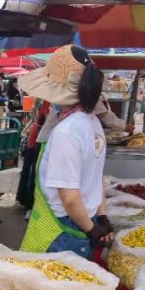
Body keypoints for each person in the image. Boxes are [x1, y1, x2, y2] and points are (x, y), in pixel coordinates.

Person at [18, 45, 114, 257]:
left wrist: (91, 229)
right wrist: (101, 216)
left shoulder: (66, 132)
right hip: (84, 219)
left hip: (63, 229)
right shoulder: (93, 123)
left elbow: (69, 198)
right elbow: (95, 178)